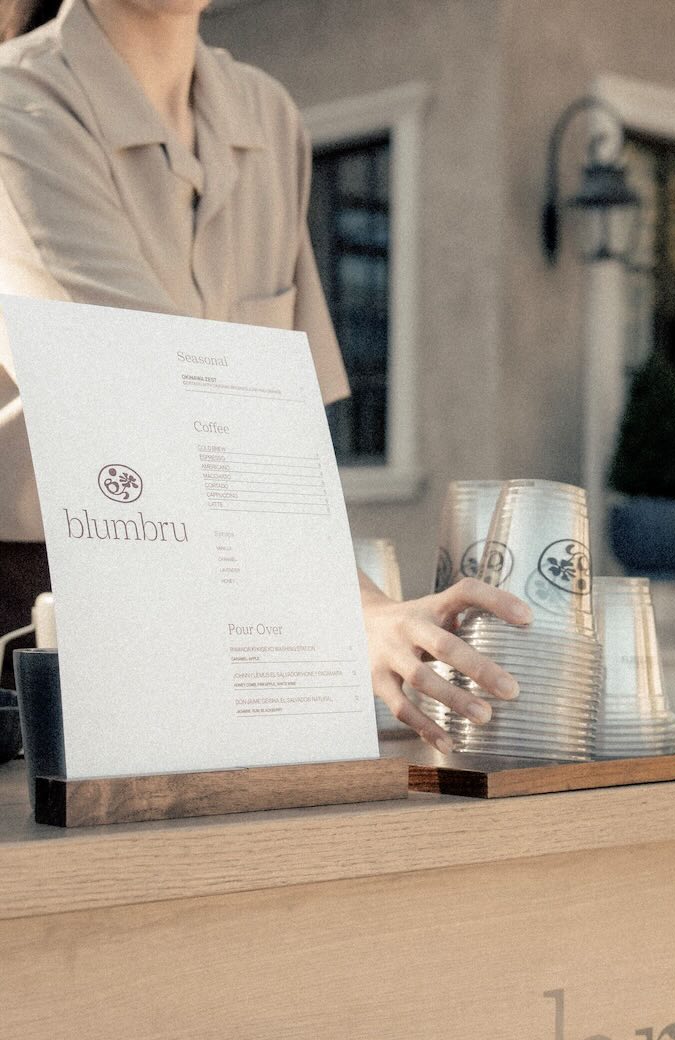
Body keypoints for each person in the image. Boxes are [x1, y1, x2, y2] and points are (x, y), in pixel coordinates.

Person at [0, 0, 528, 747]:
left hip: (229, 602)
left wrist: (351, 613)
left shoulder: (268, 117)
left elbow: (281, 424)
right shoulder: (15, 107)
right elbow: (144, 393)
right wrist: (349, 609)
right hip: (42, 612)